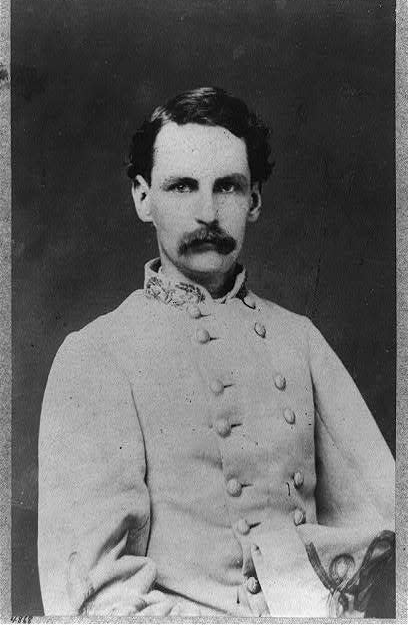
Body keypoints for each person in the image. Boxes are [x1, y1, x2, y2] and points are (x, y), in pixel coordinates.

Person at [38, 87, 395, 617]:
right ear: (143, 197)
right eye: (183, 187)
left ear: (253, 200)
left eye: (227, 187)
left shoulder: (300, 338)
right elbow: (94, 595)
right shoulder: (98, 355)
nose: (208, 212)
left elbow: (384, 513)